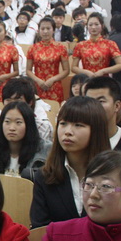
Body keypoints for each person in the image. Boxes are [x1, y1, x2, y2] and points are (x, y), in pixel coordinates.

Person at [30, 96, 110, 228]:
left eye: (78, 125)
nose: (67, 132)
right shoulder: (44, 176)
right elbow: (40, 228)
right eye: (63, 123)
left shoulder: (114, 177)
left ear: (96, 130)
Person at [0, 101, 51, 180]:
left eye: (18, 122)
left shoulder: (45, 151)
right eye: (7, 122)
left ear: (29, 124)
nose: (12, 128)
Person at [83, 76, 121, 155]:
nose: (93, 106)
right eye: (89, 101)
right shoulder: (79, 140)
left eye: (101, 101)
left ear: (117, 106)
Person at [25, 17, 70, 103]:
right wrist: (38, 81)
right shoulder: (32, 48)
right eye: (42, 29)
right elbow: (28, 70)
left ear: (53, 30)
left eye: (48, 28)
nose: (45, 31)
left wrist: (52, 80)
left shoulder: (61, 48)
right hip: (38, 85)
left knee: (55, 108)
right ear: (38, 31)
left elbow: (66, 70)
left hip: (55, 85)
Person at [72, 13, 121, 80]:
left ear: (102, 26)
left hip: (104, 80)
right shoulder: (80, 45)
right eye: (90, 25)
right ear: (87, 26)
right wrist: (86, 72)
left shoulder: (110, 44)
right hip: (87, 80)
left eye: (96, 24)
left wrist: (103, 71)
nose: (93, 27)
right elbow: (73, 67)